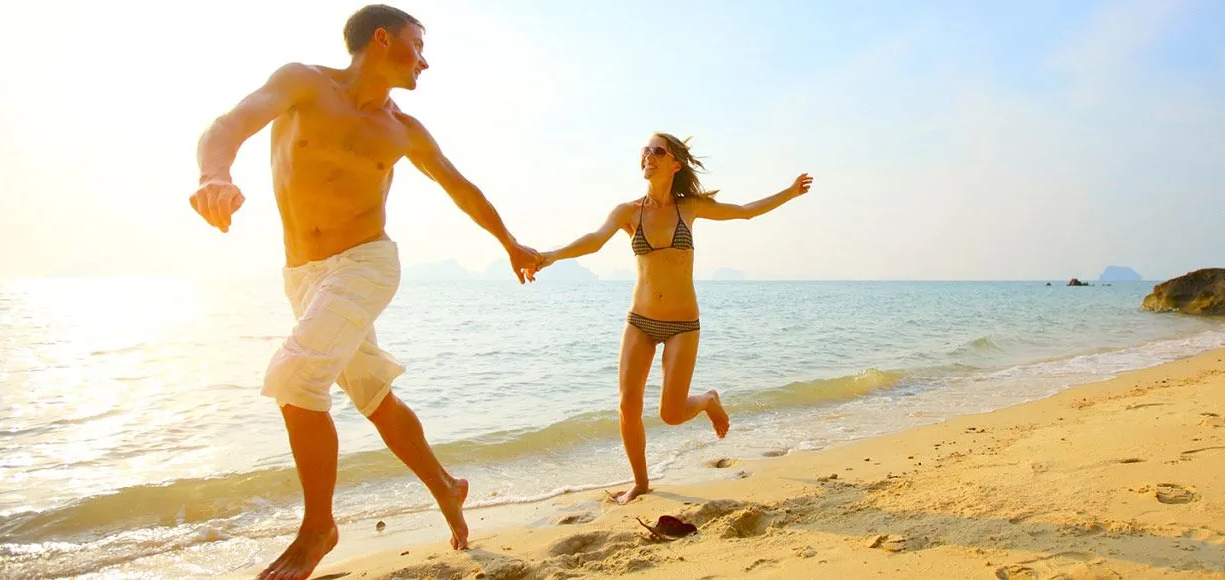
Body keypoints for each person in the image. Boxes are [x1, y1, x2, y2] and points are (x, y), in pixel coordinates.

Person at [187, 5, 541, 579]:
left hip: (367, 264)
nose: (425, 61)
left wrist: (509, 242)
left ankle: (318, 529)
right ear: (382, 39)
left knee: (297, 376)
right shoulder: (303, 83)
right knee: (372, 393)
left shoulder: (402, 129)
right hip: (303, 276)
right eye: (418, 46)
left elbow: (461, 187)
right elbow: (227, 124)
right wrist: (215, 175)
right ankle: (448, 487)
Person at [532, 133, 813, 504]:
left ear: (674, 164)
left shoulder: (690, 207)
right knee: (627, 405)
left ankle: (708, 400)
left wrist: (789, 193)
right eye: (644, 150)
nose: (647, 155)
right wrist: (549, 255)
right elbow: (594, 240)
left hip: (683, 325)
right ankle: (641, 481)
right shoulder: (628, 212)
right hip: (640, 322)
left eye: (657, 151)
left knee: (671, 414)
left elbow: (744, 211)